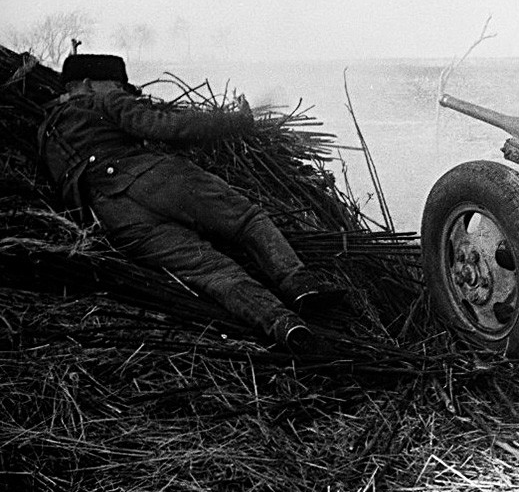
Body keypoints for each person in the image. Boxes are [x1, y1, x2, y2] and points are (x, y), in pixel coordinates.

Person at [39, 53, 343, 353]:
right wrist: (233, 121)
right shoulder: (103, 100)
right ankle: (299, 284)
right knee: (246, 220)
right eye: (117, 85)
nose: (122, 91)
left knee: (213, 273)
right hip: (158, 180)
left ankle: (284, 325)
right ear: (90, 83)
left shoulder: (45, 133)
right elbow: (165, 126)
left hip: (116, 218)